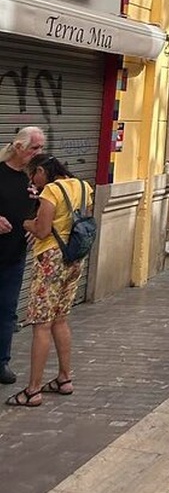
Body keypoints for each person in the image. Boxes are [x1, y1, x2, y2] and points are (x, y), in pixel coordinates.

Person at [6, 154, 93, 407]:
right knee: (60, 319)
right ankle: (65, 378)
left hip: (51, 259)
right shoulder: (82, 186)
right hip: (74, 258)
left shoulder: (51, 192)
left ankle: (33, 390)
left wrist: (24, 222)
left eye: (34, 175)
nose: (33, 181)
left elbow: (42, 230)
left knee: (41, 324)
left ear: (42, 171)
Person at [0, 127, 45, 386]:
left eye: (40, 148)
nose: (38, 153)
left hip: (14, 256)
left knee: (7, 312)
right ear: (18, 147)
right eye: (34, 148)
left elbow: (41, 209)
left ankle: (1, 362)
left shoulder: (33, 178)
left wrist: (35, 224)